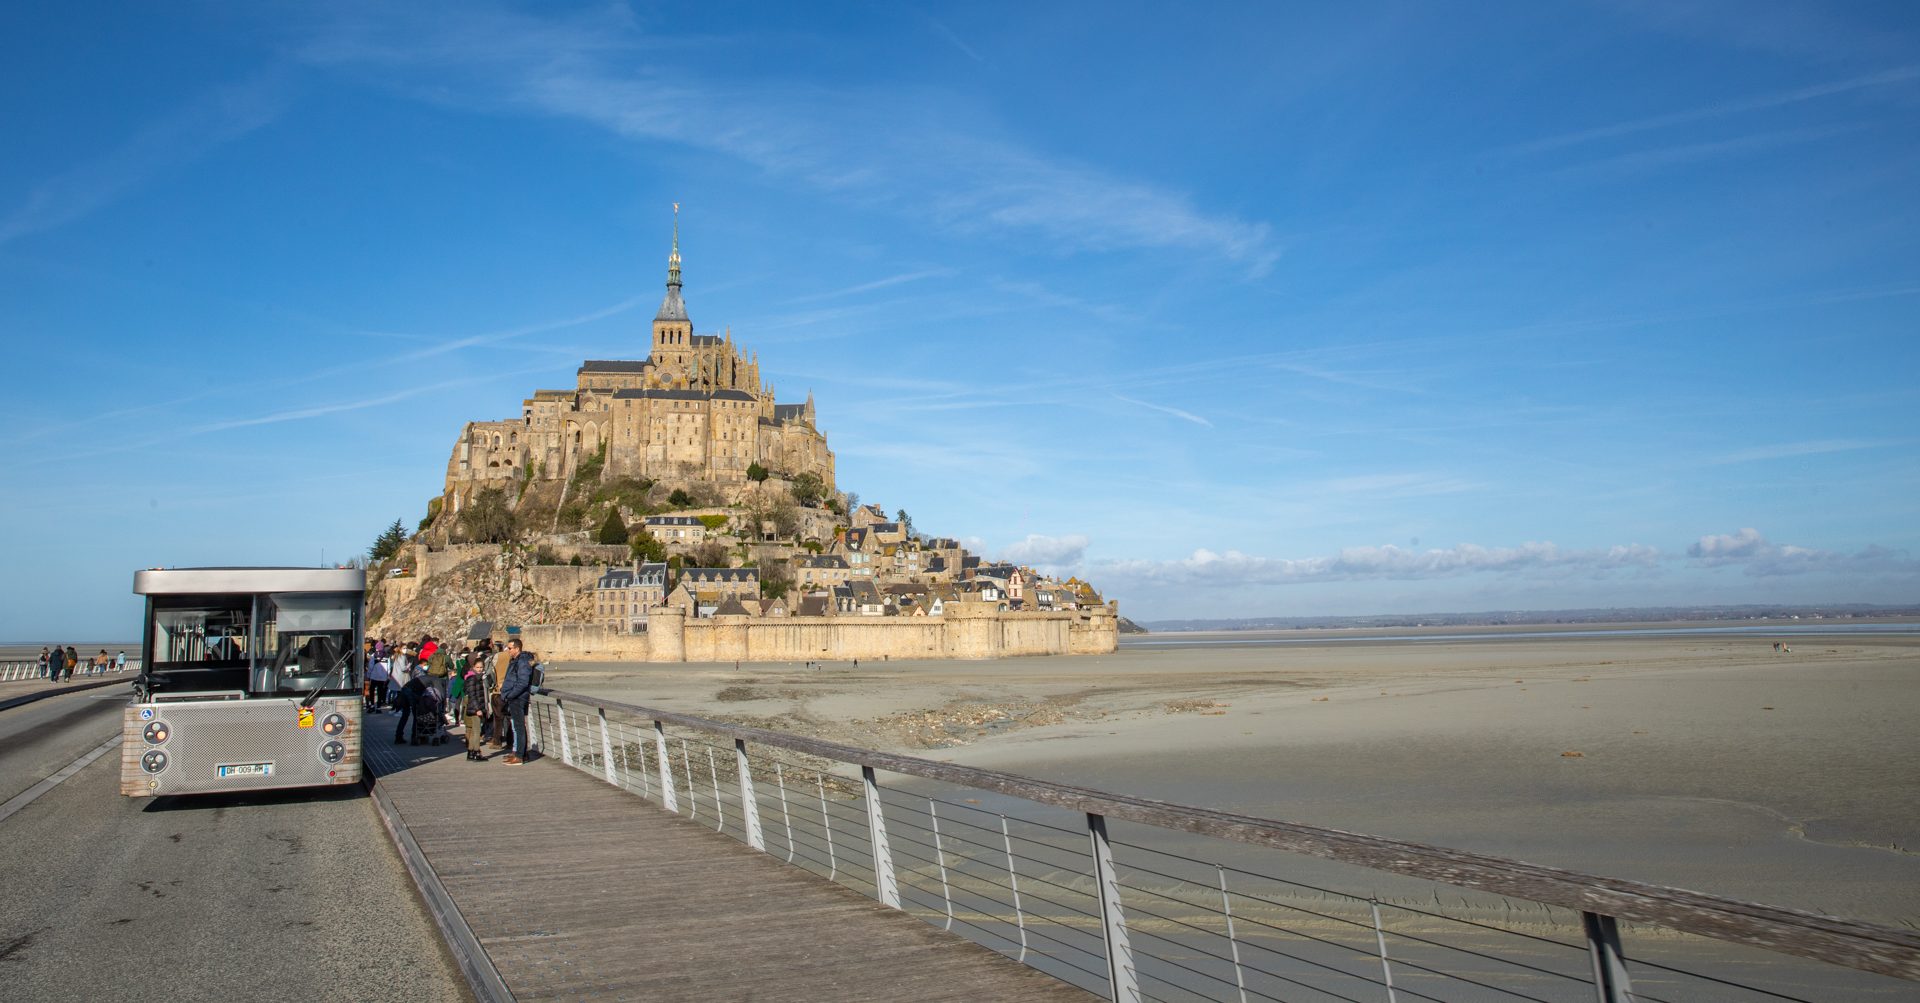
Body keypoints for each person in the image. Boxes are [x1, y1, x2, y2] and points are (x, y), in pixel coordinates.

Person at [497, 639, 537, 765]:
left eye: (510, 648)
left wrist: (511, 694)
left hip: (518, 698)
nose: (508, 650)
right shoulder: (516, 660)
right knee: (517, 726)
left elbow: (523, 682)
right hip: (514, 697)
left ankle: (520, 756)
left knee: (519, 727)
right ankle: (520, 753)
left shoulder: (523, 661)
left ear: (517, 648)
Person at [366, 646, 391, 712]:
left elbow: (370, 667)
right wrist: (387, 676)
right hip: (382, 677)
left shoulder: (373, 656)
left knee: (372, 691)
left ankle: (372, 705)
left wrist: (368, 676)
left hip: (374, 677)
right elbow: (388, 668)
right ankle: (378, 707)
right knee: (380, 692)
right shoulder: (387, 656)